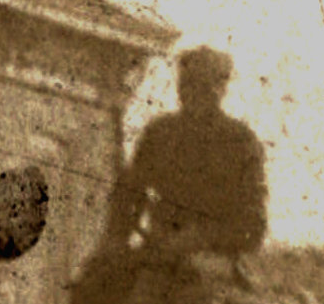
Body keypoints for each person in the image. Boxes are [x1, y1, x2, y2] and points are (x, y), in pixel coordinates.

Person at [110, 50, 269, 269]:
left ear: (221, 89)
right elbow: (129, 196)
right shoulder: (160, 133)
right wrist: (116, 241)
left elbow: (253, 227)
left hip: (210, 263)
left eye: (204, 86)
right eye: (187, 84)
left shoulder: (241, 142)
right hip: (159, 254)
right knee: (94, 284)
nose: (193, 93)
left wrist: (201, 238)